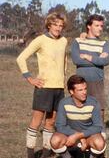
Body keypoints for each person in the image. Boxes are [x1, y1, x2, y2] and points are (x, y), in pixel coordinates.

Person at [16, 12, 67, 158]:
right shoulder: (41, 40)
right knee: (36, 121)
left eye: (61, 26)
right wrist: (29, 78)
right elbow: (21, 58)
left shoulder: (63, 41)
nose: (58, 28)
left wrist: (62, 80)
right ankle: (30, 154)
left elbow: (63, 62)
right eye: (55, 25)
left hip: (59, 88)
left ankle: (46, 153)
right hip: (44, 88)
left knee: (51, 122)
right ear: (49, 25)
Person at [50, 75, 105, 158]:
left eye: (85, 89)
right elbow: (60, 126)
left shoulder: (93, 102)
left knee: (99, 143)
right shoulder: (64, 103)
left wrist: (79, 135)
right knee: (55, 140)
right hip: (70, 135)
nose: (84, 92)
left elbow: (98, 126)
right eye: (80, 90)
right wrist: (76, 135)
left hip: (89, 136)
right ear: (71, 91)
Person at [71, 14, 109, 123]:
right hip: (80, 81)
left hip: (97, 81)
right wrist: (97, 60)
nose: (100, 28)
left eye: (101, 26)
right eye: (97, 25)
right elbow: (76, 60)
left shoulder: (104, 43)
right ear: (89, 26)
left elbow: (105, 61)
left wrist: (88, 57)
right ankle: (81, 133)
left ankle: (100, 132)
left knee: (99, 108)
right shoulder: (78, 41)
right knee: (80, 107)